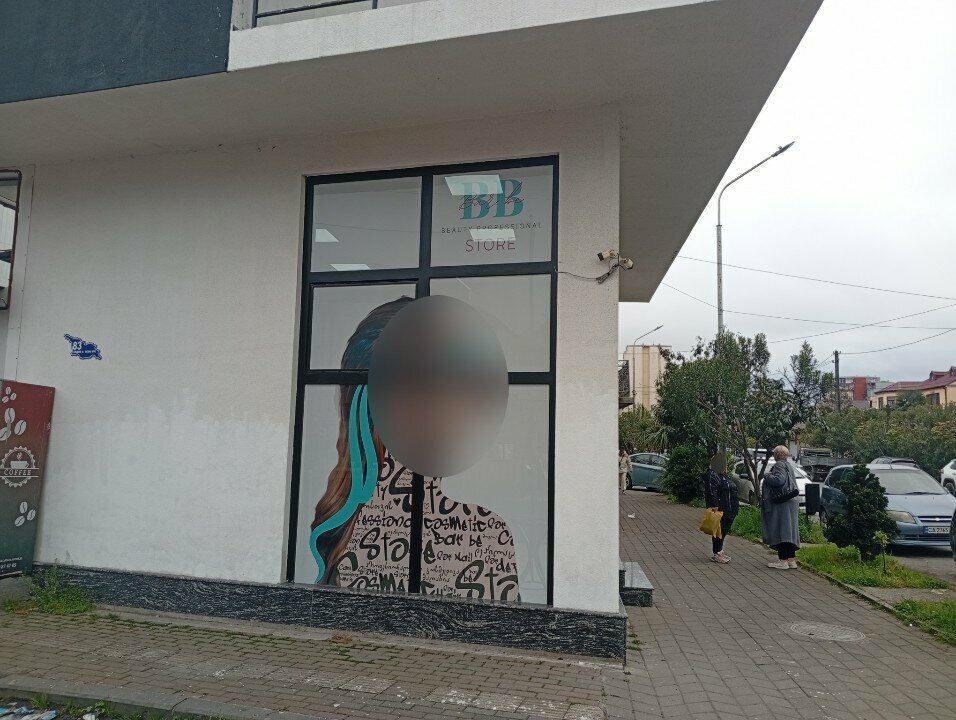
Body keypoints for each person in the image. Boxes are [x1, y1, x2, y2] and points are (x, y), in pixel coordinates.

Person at [761, 445, 801, 569]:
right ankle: (791, 560)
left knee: (781, 530)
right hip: (790, 501)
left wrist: (767, 475)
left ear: (777, 454)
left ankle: (782, 561)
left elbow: (779, 480)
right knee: (789, 532)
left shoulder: (779, 465)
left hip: (782, 503)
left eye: (774, 453)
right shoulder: (788, 465)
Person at [704, 452, 738, 563]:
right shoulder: (712, 475)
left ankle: (719, 550)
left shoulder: (722, 475)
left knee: (723, 530)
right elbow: (712, 491)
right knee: (720, 530)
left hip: (729, 508)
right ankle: (717, 552)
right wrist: (714, 505)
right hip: (722, 508)